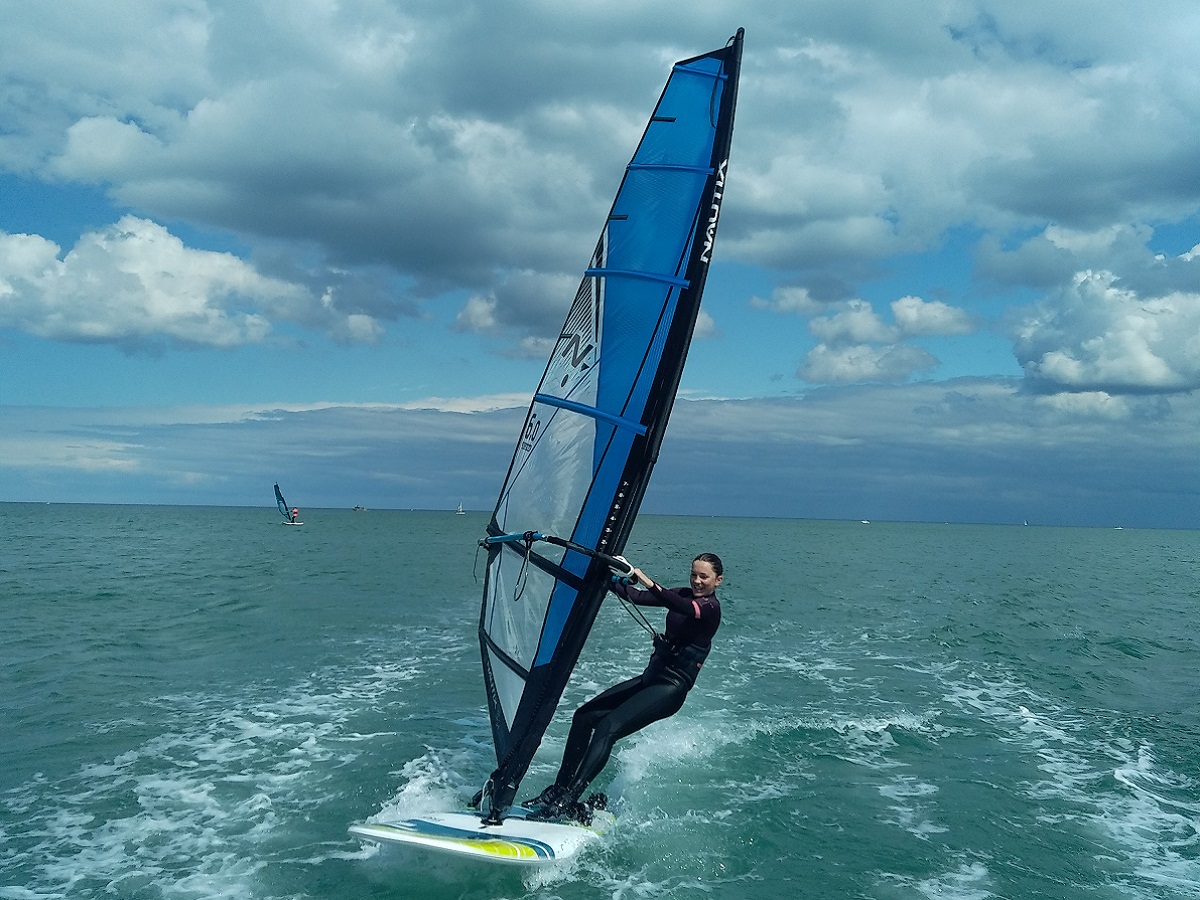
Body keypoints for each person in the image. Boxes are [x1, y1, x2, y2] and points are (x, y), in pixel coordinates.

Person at [526, 552, 724, 823]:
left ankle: (568, 801)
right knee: (584, 717)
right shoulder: (683, 594)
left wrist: (641, 576)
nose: (697, 581)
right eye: (694, 574)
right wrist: (607, 577)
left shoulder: (710, 609)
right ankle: (558, 790)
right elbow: (639, 597)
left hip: (670, 688)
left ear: (718, 580)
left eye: (704, 576)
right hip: (650, 679)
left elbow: (678, 605)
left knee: (608, 727)